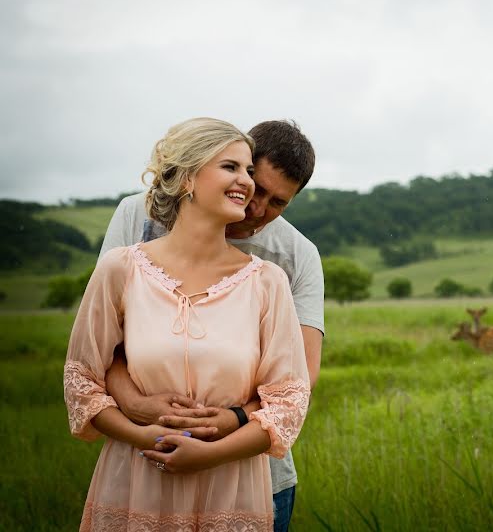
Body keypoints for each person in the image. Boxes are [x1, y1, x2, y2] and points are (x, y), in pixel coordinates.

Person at [64, 117, 311, 530]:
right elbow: (82, 379)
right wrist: (143, 435)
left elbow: (290, 400)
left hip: (232, 485)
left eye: (248, 170)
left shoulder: (269, 281)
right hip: (136, 478)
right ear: (186, 180)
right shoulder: (121, 268)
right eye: (231, 167)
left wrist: (212, 452)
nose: (247, 184)